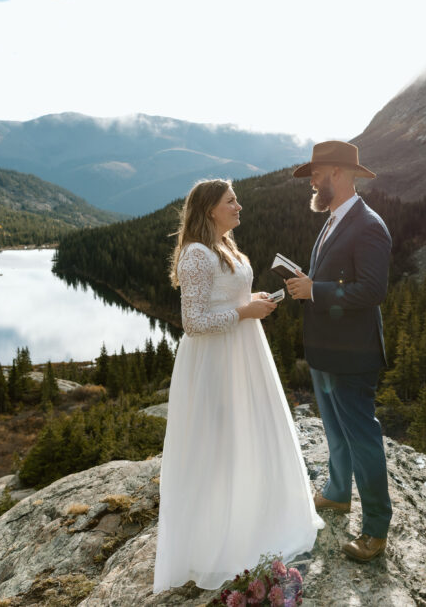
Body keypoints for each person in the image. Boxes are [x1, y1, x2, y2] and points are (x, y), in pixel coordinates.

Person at [153, 179, 323, 593]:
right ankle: (217, 541)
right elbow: (192, 322)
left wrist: (253, 301)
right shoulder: (195, 254)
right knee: (219, 445)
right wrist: (245, 312)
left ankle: (252, 522)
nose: (239, 206)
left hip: (242, 354)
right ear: (210, 208)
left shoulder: (225, 246)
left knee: (249, 437)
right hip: (214, 363)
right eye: (232, 201)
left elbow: (226, 299)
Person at [284, 141, 393, 563]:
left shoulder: (368, 225)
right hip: (326, 352)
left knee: (362, 436)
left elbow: (373, 289)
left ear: (341, 174)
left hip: (352, 355)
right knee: (334, 429)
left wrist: (317, 290)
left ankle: (376, 530)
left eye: (318, 173)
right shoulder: (333, 220)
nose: (312, 180)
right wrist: (309, 284)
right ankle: (336, 493)